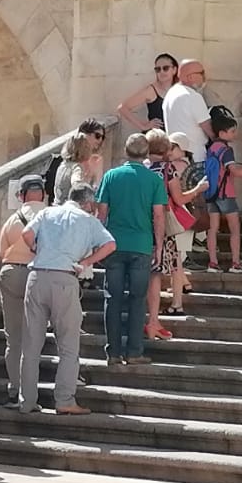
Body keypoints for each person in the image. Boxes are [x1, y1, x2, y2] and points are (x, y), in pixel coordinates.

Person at [18, 186, 116, 412]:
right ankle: (64, 400)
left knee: (31, 346)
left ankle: (27, 401)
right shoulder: (88, 220)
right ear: (89, 204)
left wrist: (38, 250)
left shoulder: (46, 212)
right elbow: (110, 245)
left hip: (37, 275)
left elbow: (26, 234)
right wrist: (87, 262)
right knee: (68, 345)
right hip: (65, 277)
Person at [96, 133, 166, 364]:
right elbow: (158, 215)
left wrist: (98, 244)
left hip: (114, 245)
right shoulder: (154, 180)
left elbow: (102, 212)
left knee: (112, 298)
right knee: (137, 299)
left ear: (125, 152)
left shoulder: (111, 176)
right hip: (142, 245)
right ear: (146, 153)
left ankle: (113, 352)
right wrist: (159, 246)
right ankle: (134, 352)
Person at [0, 175, 48, 403]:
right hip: (39, 274)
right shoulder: (51, 216)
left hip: (10, 273)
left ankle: (13, 387)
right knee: (34, 337)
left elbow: (0, 254)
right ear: (44, 193)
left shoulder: (11, 220)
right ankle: (29, 393)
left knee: (14, 338)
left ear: (21, 195)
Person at [148, 133, 208, 328]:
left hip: (145, 223)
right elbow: (180, 199)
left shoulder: (144, 168)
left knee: (150, 267)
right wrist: (198, 189)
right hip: (166, 223)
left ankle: (151, 309)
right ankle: (176, 303)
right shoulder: (169, 169)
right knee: (174, 264)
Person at [203, 106, 242, 272]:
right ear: (222, 133)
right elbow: (233, 170)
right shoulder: (226, 150)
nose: (235, 134)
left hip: (210, 194)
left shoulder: (211, 148)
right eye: (232, 131)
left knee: (212, 229)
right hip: (225, 193)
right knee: (235, 228)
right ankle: (236, 262)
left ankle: (212, 262)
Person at [115, 53, 180, 132]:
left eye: (165, 68)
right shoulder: (151, 90)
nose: (162, 72)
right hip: (156, 139)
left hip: (175, 138)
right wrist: (143, 126)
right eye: (158, 69)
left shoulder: (180, 89)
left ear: (174, 70)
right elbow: (122, 108)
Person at [162, 58, 212, 156]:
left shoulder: (170, 93)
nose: (204, 77)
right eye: (201, 73)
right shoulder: (192, 96)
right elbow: (209, 129)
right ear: (190, 77)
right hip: (195, 156)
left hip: (175, 155)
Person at [52, 127, 106, 204]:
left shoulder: (62, 165)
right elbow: (78, 186)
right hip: (69, 208)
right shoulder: (77, 168)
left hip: (57, 206)